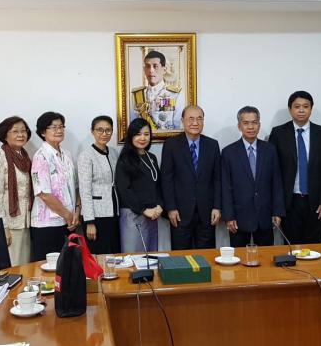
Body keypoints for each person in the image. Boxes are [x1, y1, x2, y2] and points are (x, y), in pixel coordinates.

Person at [269, 91, 321, 244]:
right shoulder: (278, 134)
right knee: (292, 248)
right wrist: (276, 206)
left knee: (314, 249)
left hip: (318, 204)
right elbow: (274, 172)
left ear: (311, 109)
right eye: (297, 106)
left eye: (306, 106)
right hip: (289, 203)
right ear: (290, 109)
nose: (301, 110)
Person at [221, 106, 285, 247]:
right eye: (246, 123)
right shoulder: (228, 152)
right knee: (238, 257)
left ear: (259, 125)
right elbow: (225, 187)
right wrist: (229, 216)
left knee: (266, 257)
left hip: (265, 216)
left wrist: (278, 211)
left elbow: (276, 183)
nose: (251, 127)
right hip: (238, 217)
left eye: (254, 123)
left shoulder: (270, 150)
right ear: (239, 126)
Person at [161, 105, 222, 250]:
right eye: (191, 119)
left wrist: (217, 207)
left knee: (206, 256)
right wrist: (171, 208)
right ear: (182, 121)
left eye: (199, 119)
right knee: (181, 257)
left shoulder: (212, 145)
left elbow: (217, 179)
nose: (195, 123)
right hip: (179, 213)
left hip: (207, 212)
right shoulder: (171, 145)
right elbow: (166, 179)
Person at [30, 112, 79, 261]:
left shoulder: (67, 154)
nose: (59, 130)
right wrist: (67, 215)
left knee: (69, 266)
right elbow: (43, 194)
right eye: (54, 127)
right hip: (47, 224)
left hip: (70, 221)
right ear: (43, 132)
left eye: (61, 127)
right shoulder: (40, 157)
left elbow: (75, 187)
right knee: (49, 268)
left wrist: (76, 212)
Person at [0, 116, 33, 266]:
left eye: (23, 131)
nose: (21, 135)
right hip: (8, 224)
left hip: (25, 222)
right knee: (12, 267)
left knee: (25, 265)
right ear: (5, 135)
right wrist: (3, 227)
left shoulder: (25, 156)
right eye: (15, 131)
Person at [115, 118, 163, 252]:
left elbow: (158, 185)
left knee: (151, 255)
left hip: (152, 214)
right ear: (131, 136)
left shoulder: (151, 157)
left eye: (146, 134)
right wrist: (143, 210)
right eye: (138, 134)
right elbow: (124, 190)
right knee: (134, 256)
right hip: (133, 214)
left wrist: (160, 205)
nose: (143, 138)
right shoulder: (125, 159)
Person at [77, 115, 121, 255]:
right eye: (100, 130)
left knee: (114, 254)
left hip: (114, 211)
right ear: (92, 131)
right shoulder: (86, 155)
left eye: (108, 130)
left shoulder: (114, 153)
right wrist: (90, 222)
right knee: (98, 255)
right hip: (96, 215)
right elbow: (85, 190)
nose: (104, 133)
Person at [131, 50, 183, 131]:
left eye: (155, 66)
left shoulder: (175, 94)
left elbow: (178, 125)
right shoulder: (137, 95)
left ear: (164, 70)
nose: (151, 70)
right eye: (148, 66)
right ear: (144, 69)